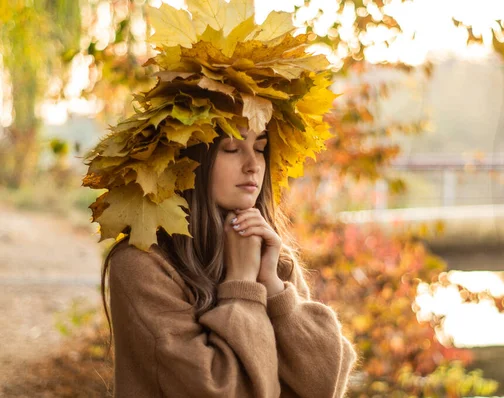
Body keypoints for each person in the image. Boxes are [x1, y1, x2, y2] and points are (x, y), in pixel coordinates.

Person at [83, 1, 358, 396]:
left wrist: (275, 289)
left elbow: (325, 383)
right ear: (189, 160)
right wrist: (242, 285)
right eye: (231, 148)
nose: (253, 165)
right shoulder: (142, 266)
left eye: (260, 147)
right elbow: (219, 389)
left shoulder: (268, 255)